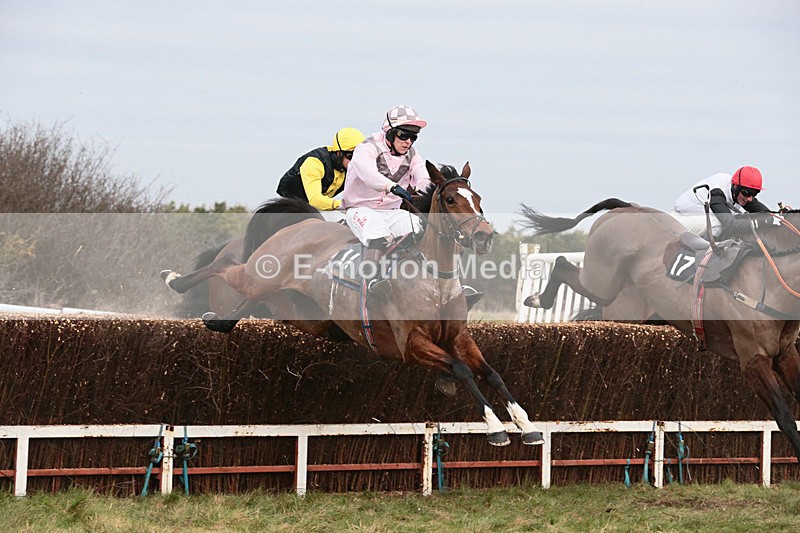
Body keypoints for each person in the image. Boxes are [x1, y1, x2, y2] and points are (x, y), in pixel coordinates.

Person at [341, 105, 432, 302]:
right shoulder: (367, 147)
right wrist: (391, 187)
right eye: (403, 135)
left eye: (413, 137)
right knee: (379, 234)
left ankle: (437, 284)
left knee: (421, 229)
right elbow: (367, 173)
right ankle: (371, 283)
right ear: (390, 132)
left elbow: (422, 177)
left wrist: (432, 191)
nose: (408, 142)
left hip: (391, 212)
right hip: (360, 209)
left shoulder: (412, 154)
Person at [276, 127, 366, 210]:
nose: (356, 161)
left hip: (314, 207)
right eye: (351, 156)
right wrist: (345, 204)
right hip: (290, 206)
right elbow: (315, 201)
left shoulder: (352, 166)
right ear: (339, 154)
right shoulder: (314, 163)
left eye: (360, 156)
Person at [670, 166, 772, 239]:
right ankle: (704, 259)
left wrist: (777, 216)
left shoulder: (738, 191)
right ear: (735, 186)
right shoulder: (717, 190)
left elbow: (766, 214)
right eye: (747, 193)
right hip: (677, 221)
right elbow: (731, 225)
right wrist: (758, 223)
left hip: (696, 220)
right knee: (718, 224)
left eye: (754, 194)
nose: (749, 199)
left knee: (739, 219)